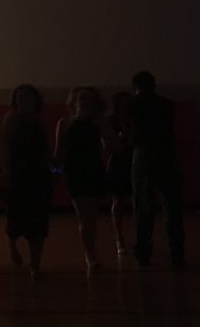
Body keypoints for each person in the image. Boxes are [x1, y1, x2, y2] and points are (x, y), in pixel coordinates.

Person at [54, 86, 117, 272]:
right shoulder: (64, 123)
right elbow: (59, 153)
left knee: (91, 216)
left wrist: (110, 136)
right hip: (74, 172)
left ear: (95, 103)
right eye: (80, 97)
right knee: (84, 215)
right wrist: (55, 174)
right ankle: (90, 255)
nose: (83, 100)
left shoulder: (99, 122)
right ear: (73, 102)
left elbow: (112, 145)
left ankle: (91, 251)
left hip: (93, 170)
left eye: (88, 98)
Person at [127, 71, 184, 267]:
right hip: (167, 154)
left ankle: (143, 252)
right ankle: (177, 252)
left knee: (143, 205)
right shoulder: (167, 104)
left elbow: (132, 132)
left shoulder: (133, 105)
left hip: (143, 155)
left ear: (135, 87)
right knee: (172, 205)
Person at [0, 85, 52, 276]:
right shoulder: (11, 119)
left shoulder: (40, 121)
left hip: (38, 174)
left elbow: (47, 149)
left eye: (26, 97)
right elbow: (5, 145)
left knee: (38, 220)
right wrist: (7, 170)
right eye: (19, 97)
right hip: (18, 173)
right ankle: (12, 243)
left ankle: (35, 262)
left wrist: (54, 169)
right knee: (15, 216)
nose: (23, 100)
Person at [107, 92, 134, 256]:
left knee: (137, 199)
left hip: (134, 161)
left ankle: (139, 235)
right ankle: (119, 236)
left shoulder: (135, 120)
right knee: (118, 201)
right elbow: (107, 145)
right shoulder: (111, 121)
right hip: (119, 162)